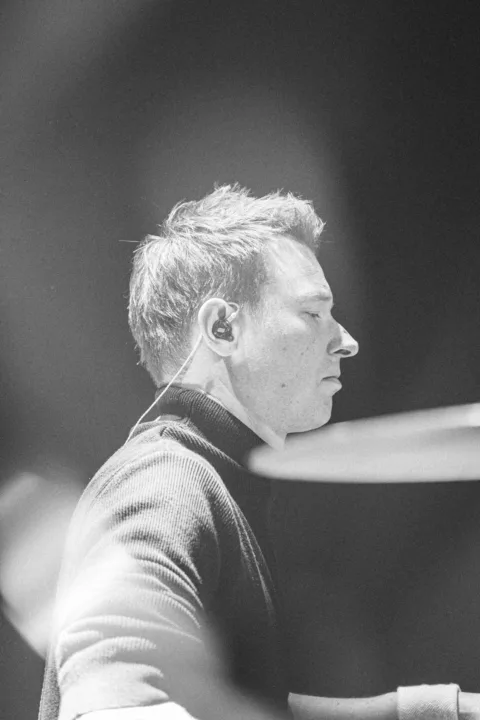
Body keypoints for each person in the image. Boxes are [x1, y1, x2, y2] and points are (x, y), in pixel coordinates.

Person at [39, 185, 477, 720]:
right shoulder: (165, 481)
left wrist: (437, 711)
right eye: (313, 313)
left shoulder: (206, 478)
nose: (346, 341)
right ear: (222, 328)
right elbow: (116, 706)